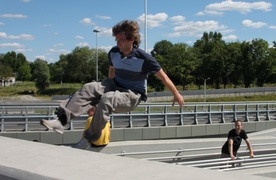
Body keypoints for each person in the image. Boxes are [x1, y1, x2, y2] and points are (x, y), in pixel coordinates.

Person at [41, 19, 184, 149]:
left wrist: (176, 94)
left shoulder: (144, 59)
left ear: (132, 40)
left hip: (133, 94)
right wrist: (108, 84)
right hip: (115, 85)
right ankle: (60, 121)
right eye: (117, 40)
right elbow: (111, 69)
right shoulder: (113, 53)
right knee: (89, 87)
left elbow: (164, 77)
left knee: (108, 98)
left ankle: (88, 140)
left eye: (121, 40)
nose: (118, 44)